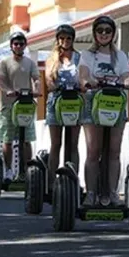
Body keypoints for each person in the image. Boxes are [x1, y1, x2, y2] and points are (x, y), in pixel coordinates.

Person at [77, 16, 129, 206]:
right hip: (94, 102)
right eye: (99, 30)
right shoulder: (87, 55)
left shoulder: (121, 56)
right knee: (94, 150)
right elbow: (83, 75)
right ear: (94, 33)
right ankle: (91, 193)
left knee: (114, 151)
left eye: (107, 30)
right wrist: (86, 82)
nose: (103, 34)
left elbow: (126, 76)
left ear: (113, 33)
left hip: (115, 103)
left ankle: (112, 193)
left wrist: (127, 82)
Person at [0, 31, 40, 182]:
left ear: (25, 45)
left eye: (21, 43)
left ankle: (27, 172)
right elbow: (0, 80)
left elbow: (36, 78)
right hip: (8, 105)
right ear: (11, 46)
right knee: (7, 139)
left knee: (27, 140)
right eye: (16, 43)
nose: (18, 46)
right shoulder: (4, 62)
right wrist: (8, 90)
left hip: (25, 105)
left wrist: (37, 89)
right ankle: (8, 170)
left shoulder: (30, 63)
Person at [43, 24, 82, 189]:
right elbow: (48, 81)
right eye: (62, 38)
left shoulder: (79, 58)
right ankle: (51, 183)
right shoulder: (51, 59)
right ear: (57, 40)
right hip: (56, 102)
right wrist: (54, 86)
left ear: (73, 40)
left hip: (75, 102)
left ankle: (73, 179)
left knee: (73, 143)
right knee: (56, 143)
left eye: (68, 38)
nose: (65, 41)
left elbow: (84, 76)